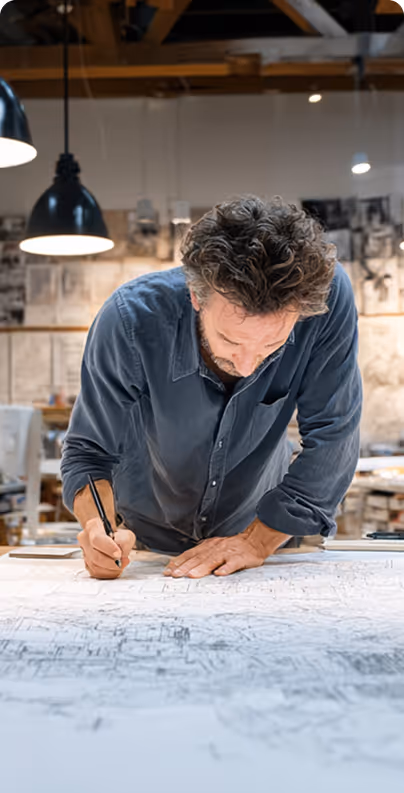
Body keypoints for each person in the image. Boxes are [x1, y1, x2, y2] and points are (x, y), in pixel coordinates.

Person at [61, 195, 362, 580]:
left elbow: (334, 435)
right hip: (147, 544)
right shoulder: (130, 321)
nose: (249, 365)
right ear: (196, 297)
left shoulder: (326, 302)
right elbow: (88, 452)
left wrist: (255, 542)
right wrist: (96, 529)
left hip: (262, 543)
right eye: (231, 341)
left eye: (273, 347)